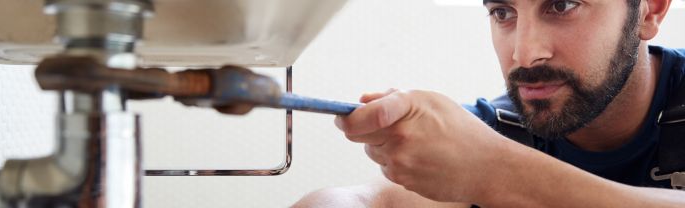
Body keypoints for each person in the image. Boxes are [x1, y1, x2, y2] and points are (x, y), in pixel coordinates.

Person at [293, 0, 685, 207]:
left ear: (649, 10)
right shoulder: (495, 130)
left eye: (562, 5)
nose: (524, 53)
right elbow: (369, 203)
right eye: (503, 13)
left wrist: (497, 172)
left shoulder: (489, 155)